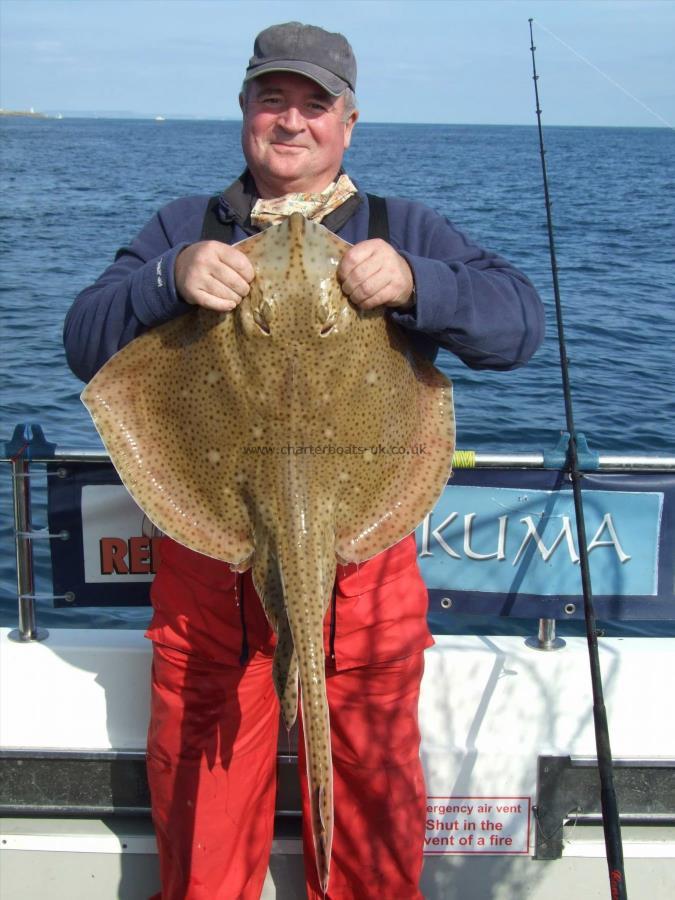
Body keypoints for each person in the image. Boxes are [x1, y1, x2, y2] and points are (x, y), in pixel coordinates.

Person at [64, 21, 544, 900]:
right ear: (245, 110)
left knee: (368, 827)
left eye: (313, 105)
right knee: (204, 838)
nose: (291, 122)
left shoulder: (404, 227)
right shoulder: (185, 225)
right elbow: (83, 343)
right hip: (216, 569)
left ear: (348, 123)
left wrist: (415, 284)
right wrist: (167, 279)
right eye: (272, 100)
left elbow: (518, 325)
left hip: (359, 565)